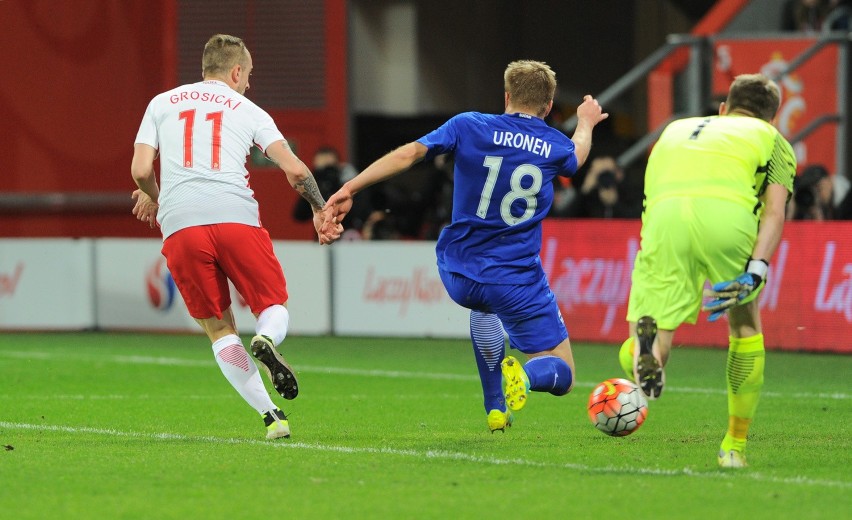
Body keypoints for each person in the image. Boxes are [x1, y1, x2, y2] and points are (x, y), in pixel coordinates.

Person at [321, 60, 608, 432]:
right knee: (564, 374)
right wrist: (585, 121)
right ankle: (524, 375)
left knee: (483, 307)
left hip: (458, 271)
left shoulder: (469, 124)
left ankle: (495, 407)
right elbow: (578, 154)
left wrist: (349, 188)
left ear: (506, 96)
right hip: (514, 280)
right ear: (549, 106)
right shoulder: (554, 146)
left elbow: (408, 154)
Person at [130, 34, 341, 440]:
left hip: (181, 225)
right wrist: (318, 209)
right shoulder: (248, 109)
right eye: (249, 76)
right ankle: (266, 337)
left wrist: (159, 199)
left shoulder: (161, 103)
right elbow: (296, 171)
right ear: (236, 71)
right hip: (235, 217)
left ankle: (272, 417)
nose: (249, 84)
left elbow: (140, 170)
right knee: (272, 304)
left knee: (219, 329)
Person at [619, 74, 796, 468]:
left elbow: (651, 189)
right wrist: (757, 268)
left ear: (723, 108)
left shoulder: (674, 129)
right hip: (727, 216)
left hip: (666, 219)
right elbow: (774, 212)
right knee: (745, 326)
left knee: (654, 328)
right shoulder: (772, 140)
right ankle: (733, 447)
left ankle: (644, 351)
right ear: (770, 119)